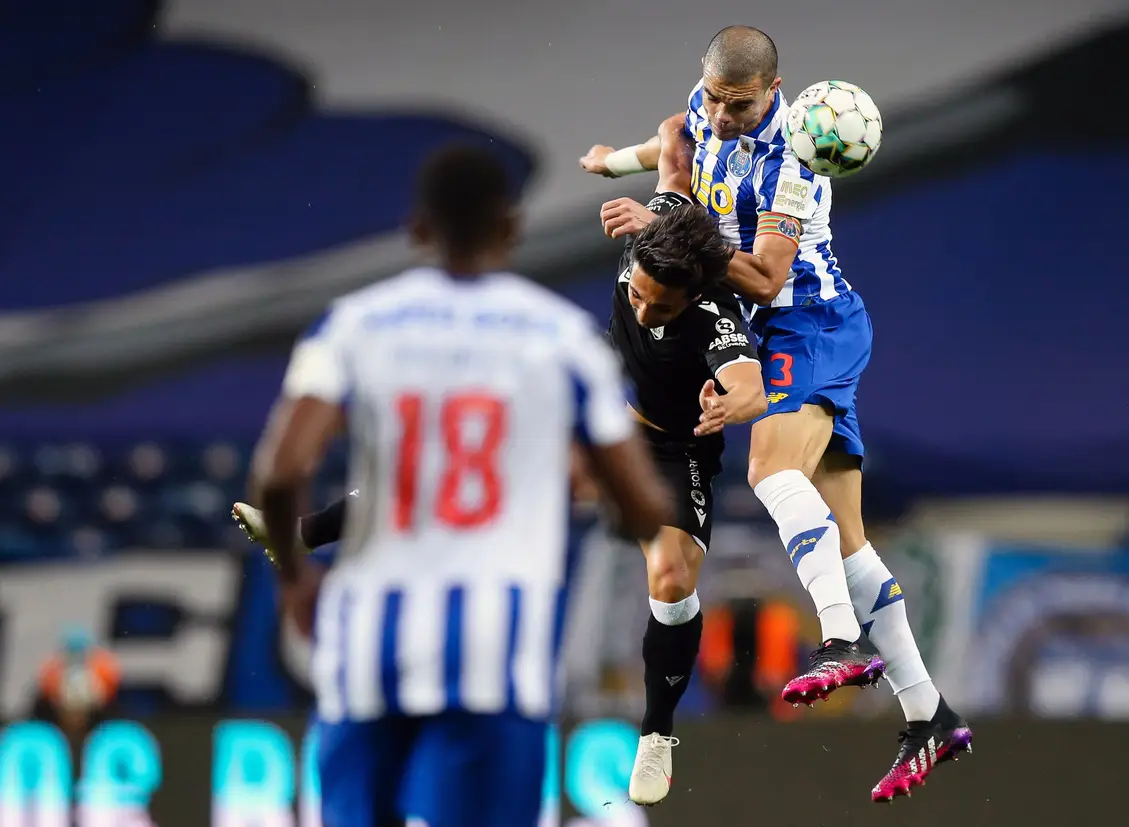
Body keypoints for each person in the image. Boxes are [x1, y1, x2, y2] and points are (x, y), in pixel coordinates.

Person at [236, 195, 769, 808]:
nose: (644, 311)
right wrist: (618, 163)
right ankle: (303, 533)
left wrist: (732, 405)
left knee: (671, 579)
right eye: (638, 295)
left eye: (662, 306)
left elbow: (749, 386)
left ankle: (657, 732)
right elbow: (678, 140)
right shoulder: (650, 240)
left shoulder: (714, 314)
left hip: (675, 450)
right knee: (463, 456)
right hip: (607, 423)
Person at [578, 25, 972, 802]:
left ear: (772, 90)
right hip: (799, 331)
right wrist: (614, 163)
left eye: (738, 105)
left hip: (807, 322)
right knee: (848, 537)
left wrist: (675, 225)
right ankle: (929, 712)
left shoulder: (796, 162)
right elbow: (676, 133)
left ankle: (837, 639)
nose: (722, 117)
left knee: (768, 467)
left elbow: (761, 278)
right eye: (716, 100)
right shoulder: (705, 106)